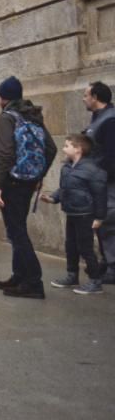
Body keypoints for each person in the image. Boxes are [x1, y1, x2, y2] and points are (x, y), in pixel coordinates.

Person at [0, 76, 57, 299]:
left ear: (3, 97)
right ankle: (19, 275)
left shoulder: (8, 117)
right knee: (16, 228)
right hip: (28, 182)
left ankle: (33, 282)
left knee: (17, 232)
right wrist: (39, 175)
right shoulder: (32, 115)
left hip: (12, 181)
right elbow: (51, 149)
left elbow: (4, 153)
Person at [41, 134, 107, 295]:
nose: (63, 149)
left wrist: (99, 217)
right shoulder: (67, 167)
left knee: (86, 248)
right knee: (70, 245)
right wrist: (52, 198)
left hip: (85, 214)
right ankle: (72, 276)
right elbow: (64, 189)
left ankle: (95, 281)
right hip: (71, 211)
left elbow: (100, 194)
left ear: (78, 149)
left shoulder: (92, 169)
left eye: (67, 146)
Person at [82, 80, 115, 284]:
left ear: (95, 97)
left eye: (86, 95)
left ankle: (113, 266)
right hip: (98, 181)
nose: (84, 98)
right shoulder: (98, 118)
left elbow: (111, 155)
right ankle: (106, 262)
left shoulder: (110, 120)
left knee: (109, 223)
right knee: (100, 224)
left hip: (108, 181)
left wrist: (100, 176)